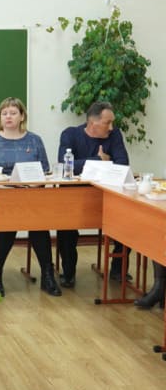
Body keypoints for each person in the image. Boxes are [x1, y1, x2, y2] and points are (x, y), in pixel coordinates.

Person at [0, 98, 61, 297]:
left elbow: (45, 171)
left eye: (13, 113)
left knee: (38, 224)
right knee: (9, 222)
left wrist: (31, 184)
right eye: (4, 113)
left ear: (22, 116)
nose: (8, 117)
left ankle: (47, 275)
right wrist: (3, 185)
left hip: (30, 194)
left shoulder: (34, 140)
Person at [56, 101, 130, 287]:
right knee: (66, 227)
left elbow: (122, 164)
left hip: (106, 195)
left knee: (129, 222)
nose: (111, 127)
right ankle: (68, 272)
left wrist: (85, 164)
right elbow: (65, 166)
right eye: (107, 123)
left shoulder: (114, 135)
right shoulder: (70, 134)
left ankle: (118, 269)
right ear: (92, 122)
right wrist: (99, 159)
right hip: (75, 196)